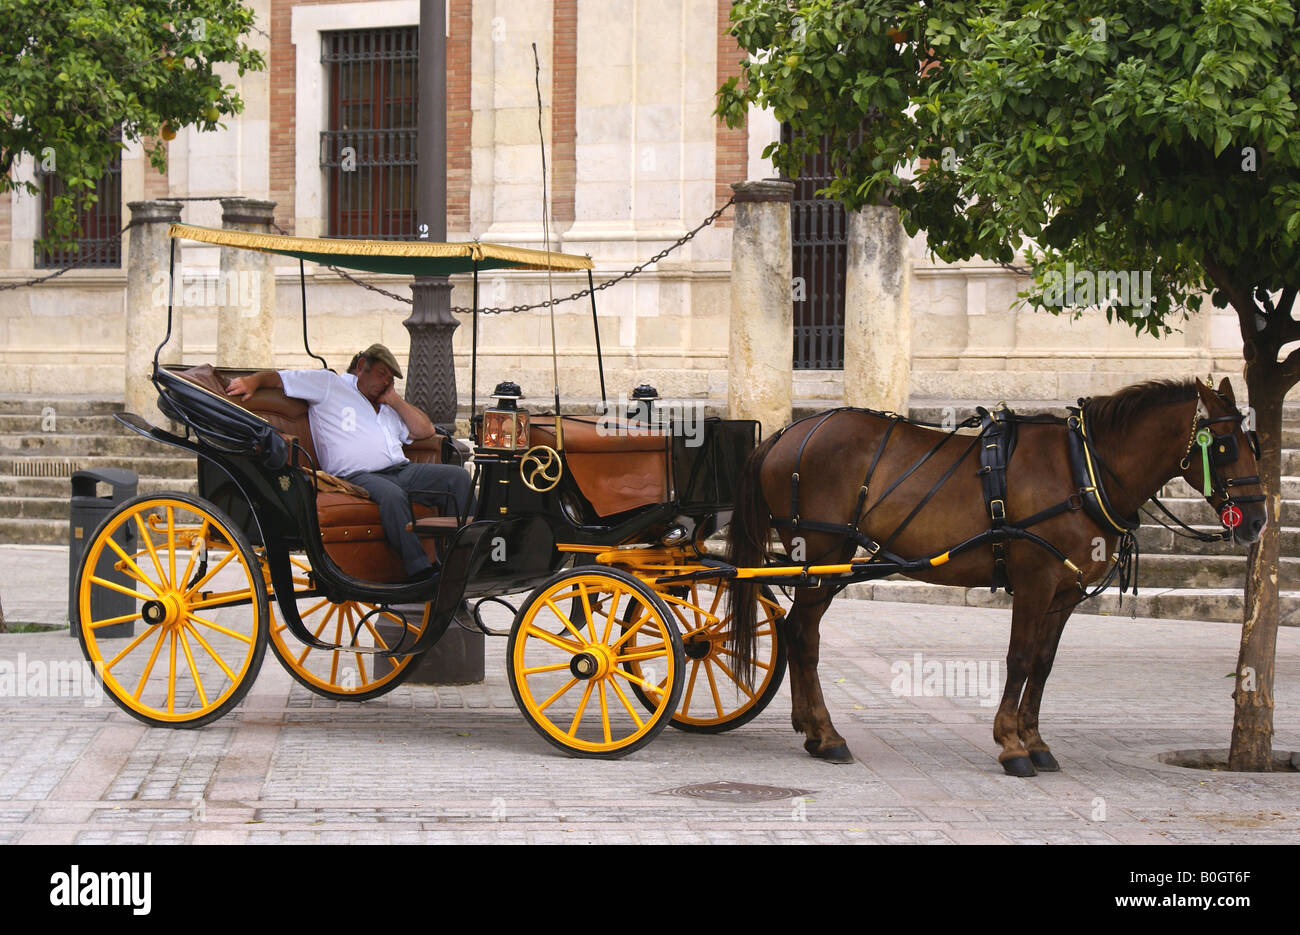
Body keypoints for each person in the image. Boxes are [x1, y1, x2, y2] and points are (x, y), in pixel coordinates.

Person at [226, 344, 472, 581]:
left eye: (391, 379)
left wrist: (394, 400)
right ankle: (422, 570)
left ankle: (462, 562)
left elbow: (425, 430)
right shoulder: (330, 385)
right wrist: (253, 381)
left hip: (402, 470)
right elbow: (280, 378)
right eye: (381, 374)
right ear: (362, 366)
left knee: (458, 478)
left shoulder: (387, 406)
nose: (385, 381)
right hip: (356, 476)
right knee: (392, 496)